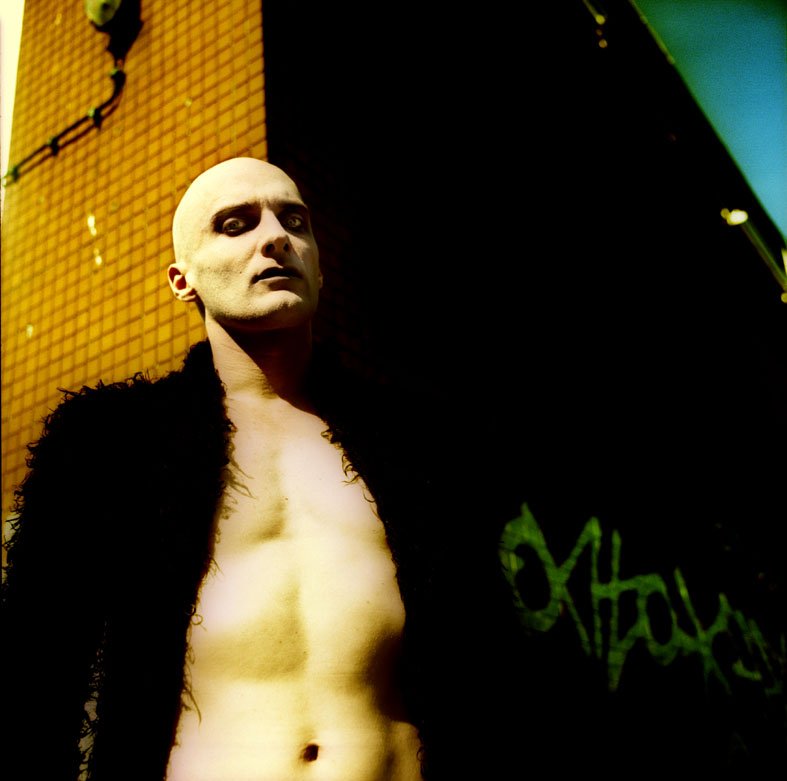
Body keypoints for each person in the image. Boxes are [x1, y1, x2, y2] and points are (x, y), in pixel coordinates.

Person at [1, 157, 526, 781]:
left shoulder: (418, 447)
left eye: (294, 221)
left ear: (320, 267)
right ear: (183, 280)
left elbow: (489, 670)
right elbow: (33, 679)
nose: (276, 237)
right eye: (235, 224)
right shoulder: (110, 443)